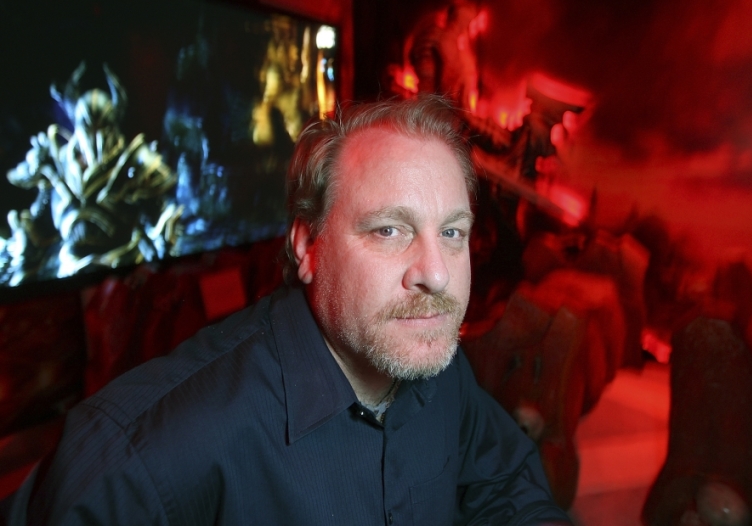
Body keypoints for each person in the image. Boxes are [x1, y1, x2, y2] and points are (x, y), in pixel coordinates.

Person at [22, 96, 573, 525]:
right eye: (389, 229)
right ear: (308, 247)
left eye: (452, 232)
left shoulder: (439, 364)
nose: (436, 272)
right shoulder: (145, 454)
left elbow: (504, 482)